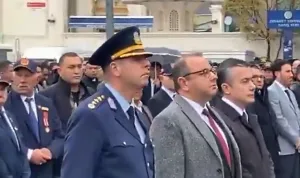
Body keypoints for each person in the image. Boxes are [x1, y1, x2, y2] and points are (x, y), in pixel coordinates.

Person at [61, 26, 154, 178]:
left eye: (145, 59)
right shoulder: (91, 116)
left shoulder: (138, 114)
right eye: (137, 59)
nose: (147, 64)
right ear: (115, 69)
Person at [150, 54, 242, 178]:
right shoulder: (168, 120)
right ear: (184, 83)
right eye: (204, 73)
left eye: (212, 71)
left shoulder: (212, 113)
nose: (214, 77)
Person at [213, 58, 275, 178]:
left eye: (252, 80)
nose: (253, 86)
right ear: (226, 88)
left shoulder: (249, 116)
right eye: (245, 81)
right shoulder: (219, 122)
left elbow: (266, 158)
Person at [5, 58, 65, 178]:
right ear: (12, 77)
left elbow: (59, 135)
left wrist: (50, 151)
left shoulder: (46, 103)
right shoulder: (6, 105)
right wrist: (29, 154)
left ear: (37, 78)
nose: (22, 80)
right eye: (18, 75)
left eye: (27, 75)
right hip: (21, 171)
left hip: (47, 170)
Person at [268, 59, 300, 178]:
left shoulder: (290, 92)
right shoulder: (271, 91)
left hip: (296, 147)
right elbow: (279, 120)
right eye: (287, 71)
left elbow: (297, 115)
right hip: (285, 147)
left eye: (291, 71)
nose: (291, 75)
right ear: (277, 73)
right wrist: (295, 139)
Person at [0, 76, 30, 178]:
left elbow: (20, 146)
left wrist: (26, 173)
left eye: (3, 89)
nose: (1, 92)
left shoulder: (8, 115)